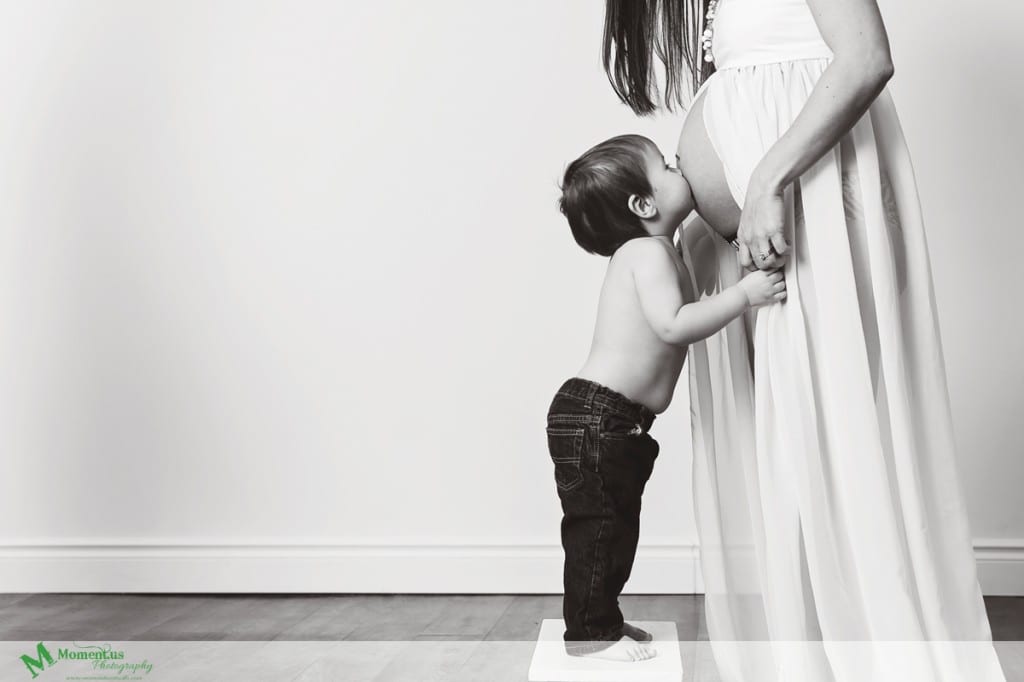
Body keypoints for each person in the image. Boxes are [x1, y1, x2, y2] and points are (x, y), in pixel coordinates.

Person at [599, 1, 1008, 680]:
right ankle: (810, 655)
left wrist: (762, 182)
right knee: (795, 445)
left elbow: (866, 58)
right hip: (765, 231)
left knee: (838, 427)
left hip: (804, 205)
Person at [548, 133, 785, 663]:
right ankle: (589, 637)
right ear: (644, 204)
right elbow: (674, 325)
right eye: (667, 166)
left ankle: (600, 619)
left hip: (612, 421)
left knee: (616, 529)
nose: (681, 166)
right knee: (599, 531)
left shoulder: (664, 251)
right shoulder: (646, 253)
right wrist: (742, 295)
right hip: (597, 417)